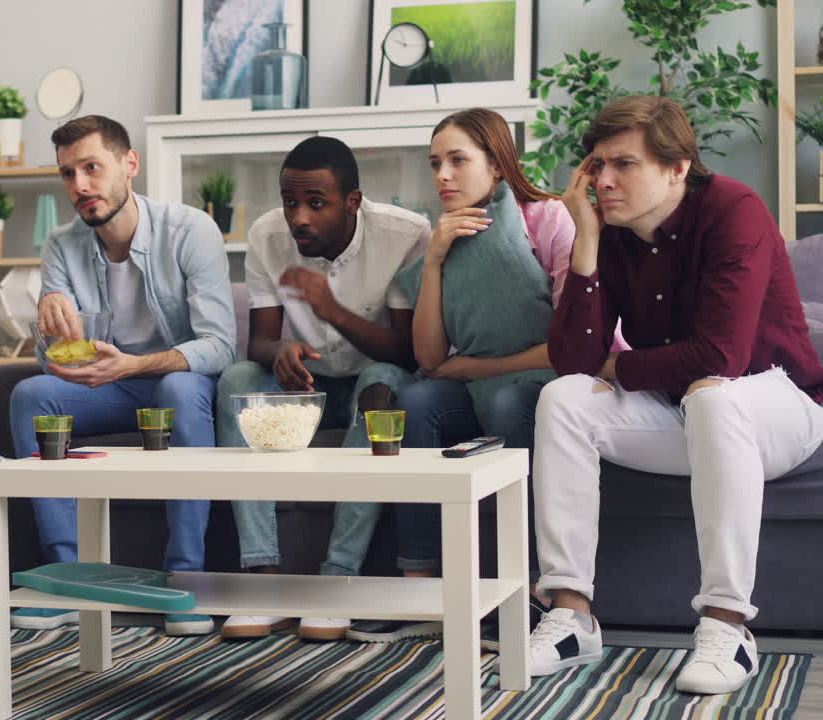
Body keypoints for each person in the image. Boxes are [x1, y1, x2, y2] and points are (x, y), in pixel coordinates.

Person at [527, 95, 823, 695]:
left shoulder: (733, 210)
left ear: (677, 167)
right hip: (682, 413)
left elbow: (720, 358)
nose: (604, 180)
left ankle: (727, 626)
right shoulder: (610, 232)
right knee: (563, 399)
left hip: (780, 407)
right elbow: (575, 362)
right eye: (597, 165)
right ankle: (571, 616)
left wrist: (619, 364)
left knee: (714, 396)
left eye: (625, 164)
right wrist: (586, 240)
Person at [346, 108, 627, 644]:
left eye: (457, 160)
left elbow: (576, 345)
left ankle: (528, 594)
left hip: (552, 381)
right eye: (435, 164)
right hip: (473, 387)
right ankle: (421, 590)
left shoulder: (547, 220)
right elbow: (430, 358)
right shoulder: (444, 234)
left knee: (509, 405)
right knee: (418, 400)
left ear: (497, 164)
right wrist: (435, 258)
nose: (442, 176)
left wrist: (478, 366)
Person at [8, 115, 237, 636]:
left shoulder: (190, 230)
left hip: (177, 382)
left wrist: (135, 364)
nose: (80, 185)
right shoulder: (62, 244)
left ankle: (186, 580)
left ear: (129, 164)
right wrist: (48, 324)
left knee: (179, 388)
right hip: (109, 386)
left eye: (92, 167)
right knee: (30, 396)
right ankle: (65, 579)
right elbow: (56, 361)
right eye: (68, 173)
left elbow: (221, 346)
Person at [215, 136, 428, 642]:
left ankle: (338, 580)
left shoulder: (405, 235)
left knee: (382, 385)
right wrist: (278, 353)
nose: (299, 218)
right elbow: (259, 342)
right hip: (308, 388)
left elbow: (407, 352)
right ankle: (263, 580)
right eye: (290, 202)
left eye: (315, 203)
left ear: (353, 201)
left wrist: (331, 310)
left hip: (374, 378)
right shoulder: (267, 235)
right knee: (237, 380)